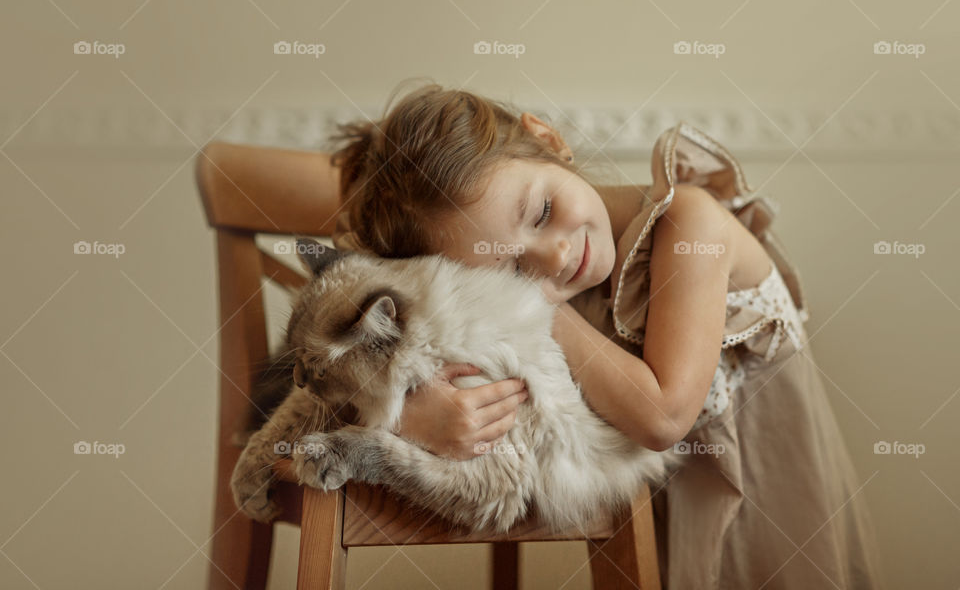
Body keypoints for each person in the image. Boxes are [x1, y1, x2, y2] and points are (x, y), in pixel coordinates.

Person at [326, 80, 886, 588]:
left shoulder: (690, 223)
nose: (555, 256)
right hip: (652, 524)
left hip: (771, 506)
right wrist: (412, 416)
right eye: (512, 268)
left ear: (547, 139)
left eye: (542, 212)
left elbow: (664, 417)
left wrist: (529, 304)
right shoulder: (519, 268)